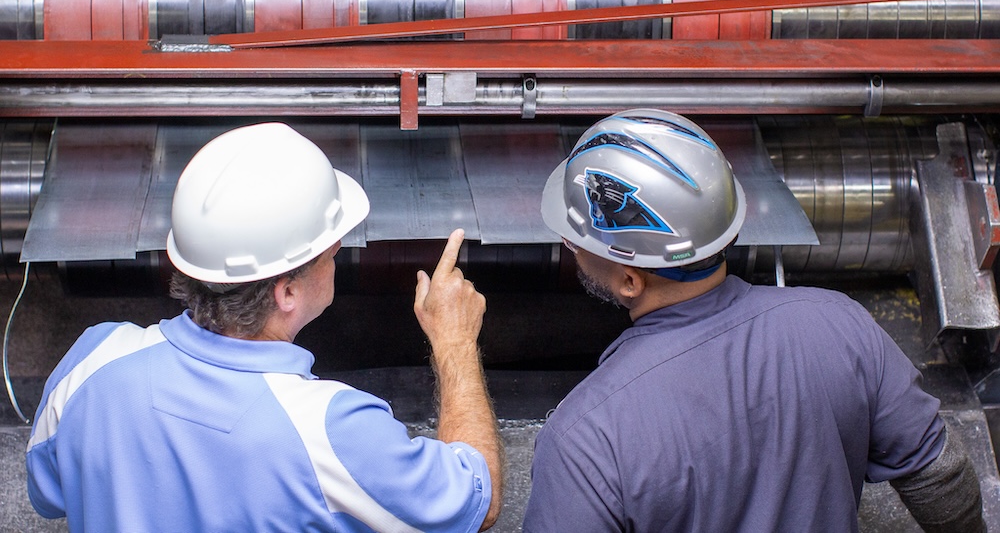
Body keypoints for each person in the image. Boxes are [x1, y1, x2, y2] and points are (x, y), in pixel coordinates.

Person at [25, 122, 503, 532]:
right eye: (331, 255)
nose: (337, 257)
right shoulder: (332, 432)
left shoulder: (94, 360)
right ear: (287, 292)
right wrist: (455, 342)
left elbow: (48, 493)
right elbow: (477, 501)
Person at [522, 109, 985, 532]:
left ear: (629, 281)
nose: (570, 242)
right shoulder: (841, 325)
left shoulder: (585, 438)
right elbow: (940, 475)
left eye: (575, 241)